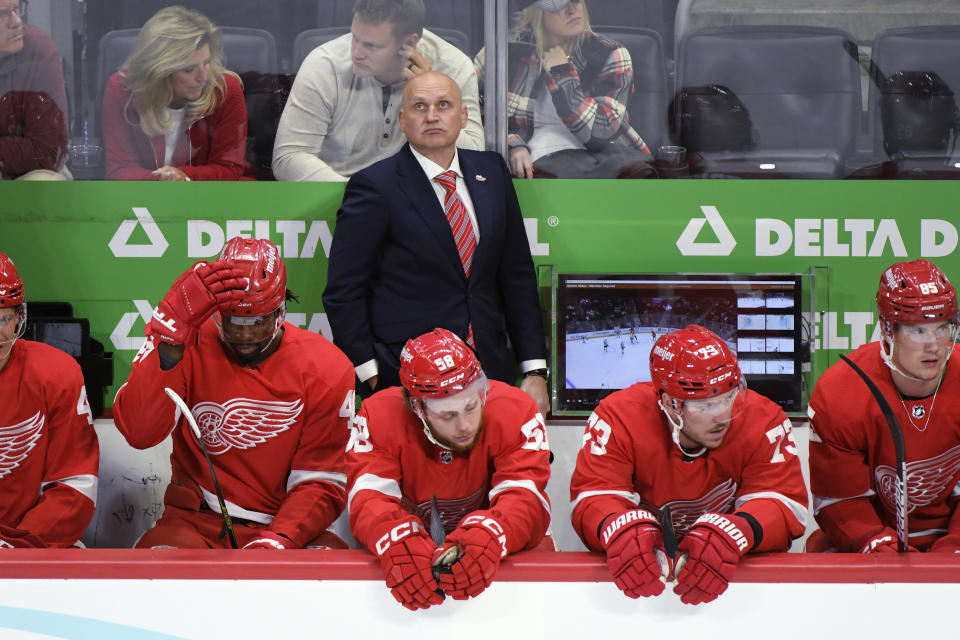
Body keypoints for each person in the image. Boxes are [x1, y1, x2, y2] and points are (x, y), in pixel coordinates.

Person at [323, 70, 549, 414]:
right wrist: (371, 373)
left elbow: (516, 275)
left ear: (463, 116)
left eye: (443, 105)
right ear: (402, 119)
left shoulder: (492, 171)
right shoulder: (374, 185)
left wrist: (534, 369)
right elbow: (344, 290)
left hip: (491, 373)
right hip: (408, 378)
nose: (431, 116)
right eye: (419, 106)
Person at [112, 238, 355, 549]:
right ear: (216, 311)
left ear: (280, 310)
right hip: (193, 523)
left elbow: (320, 480)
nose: (245, 335)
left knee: (329, 576)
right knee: (156, 569)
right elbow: (138, 433)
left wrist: (280, 540)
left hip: (286, 524)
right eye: (233, 321)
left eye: (258, 322)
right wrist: (168, 339)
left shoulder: (327, 367)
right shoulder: (188, 341)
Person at [570, 325, 808, 604]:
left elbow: (783, 503)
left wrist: (736, 531)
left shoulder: (764, 419)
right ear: (670, 403)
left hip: (736, 584)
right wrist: (621, 529)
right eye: (706, 405)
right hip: (641, 587)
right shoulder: (618, 417)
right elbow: (593, 496)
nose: (722, 416)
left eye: (729, 398)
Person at [346, 328, 551, 610]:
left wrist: (493, 532)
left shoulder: (516, 409)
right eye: (448, 415)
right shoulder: (378, 415)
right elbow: (368, 498)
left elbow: (526, 495)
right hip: (412, 548)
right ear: (417, 408)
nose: (464, 425)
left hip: (498, 545)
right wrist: (397, 538)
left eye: (470, 406)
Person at [808, 259, 960, 553]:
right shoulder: (840, 391)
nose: (933, 345)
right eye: (918, 331)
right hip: (873, 538)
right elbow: (840, 502)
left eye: (941, 328)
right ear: (887, 329)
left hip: (950, 532)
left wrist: (952, 552)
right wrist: (878, 544)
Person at [272, 0, 483, 182]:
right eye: (354, 37)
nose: (356, 53)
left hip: (425, 196)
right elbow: (289, 157)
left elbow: (475, 159)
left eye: (372, 46)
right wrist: (361, 197)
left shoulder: (454, 67)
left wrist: (427, 98)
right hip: (337, 196)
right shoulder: (325, 64)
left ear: (409, 43)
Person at [474, 0, 651, 179]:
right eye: (558, 5)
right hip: (533, 168)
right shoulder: (503, 52)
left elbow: (601, 133)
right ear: (535, 13)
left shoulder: (610, 53)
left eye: (575, 0)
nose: (572, 10)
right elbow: (472, 116)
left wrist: (562, 74)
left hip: (603, 165)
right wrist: (511, 143)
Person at [0, 251, 98, 548]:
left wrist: (19, 546)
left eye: (2, 318)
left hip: (38, 545)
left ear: (19, 318)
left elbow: (75, 486)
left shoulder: (56, 373)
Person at [102, 6, 250, 181]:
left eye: (207, 62)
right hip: (143, 198)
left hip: (209, 197)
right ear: (159, 71)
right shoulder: (121, 89)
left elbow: (229, 169)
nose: (203, 77)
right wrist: (164, 180)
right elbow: (120, 170)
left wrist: (184, 177)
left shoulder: (226, 90)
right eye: (189, 69)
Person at [0, 1, 70, 180]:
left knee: (44, 182)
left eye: (17, 9)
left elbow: (49, 151)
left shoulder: (38, 49)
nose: (17, 22)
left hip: (25, 172)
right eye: (2, 15)